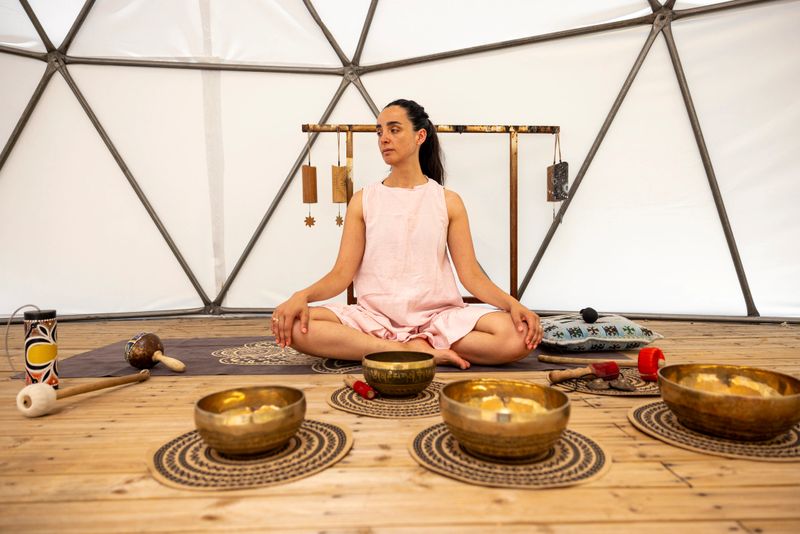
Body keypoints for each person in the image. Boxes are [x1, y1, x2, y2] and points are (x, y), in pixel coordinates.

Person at [271, 99, 542, 369]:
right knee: (291, 324)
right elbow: (341, 274)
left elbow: (471, 275)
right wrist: (301, 296)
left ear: (419, 136)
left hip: (437, 319)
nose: (384, 139)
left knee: (517, 337)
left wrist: (512, 304)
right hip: (374, 320)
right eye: (380, 132)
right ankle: (406, 349)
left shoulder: (448, 201)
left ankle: (407, 347)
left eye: (394, 129)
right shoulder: (363, 200)